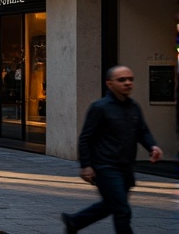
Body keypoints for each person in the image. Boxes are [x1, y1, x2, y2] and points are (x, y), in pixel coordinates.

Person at [62, 65, 162, 234]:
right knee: (122, 210)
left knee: (112, 204)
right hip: (105, 167)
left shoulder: (134, 107)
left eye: (130, 79)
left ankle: (74, 222)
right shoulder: (99, 107)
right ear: (109, 84)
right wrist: (86, 165)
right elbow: (85, 138)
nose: (128, 83)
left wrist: (152, 146)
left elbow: (142, 131)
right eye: (122, 80)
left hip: (126, 167)